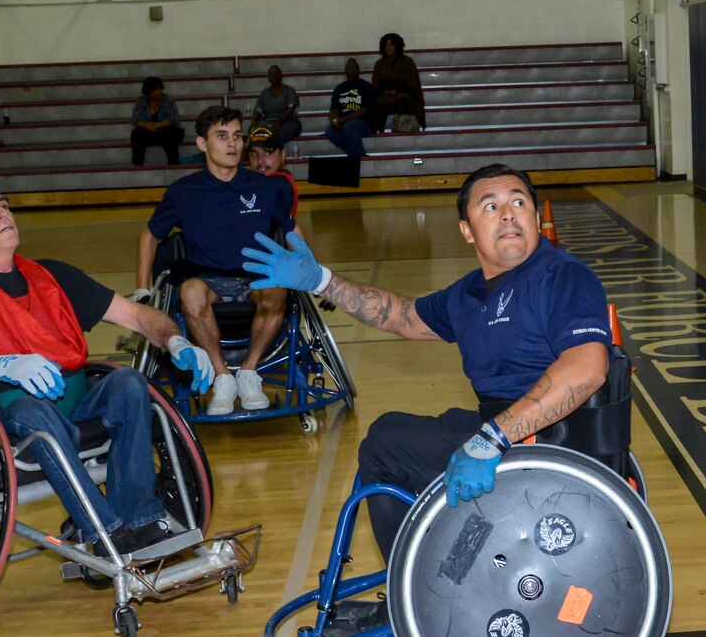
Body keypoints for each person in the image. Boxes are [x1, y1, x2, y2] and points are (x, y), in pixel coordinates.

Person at [242, 163, 611, 557]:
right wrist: (322, 281)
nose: (507, 213)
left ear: (536, 219)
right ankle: (443, 564)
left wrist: (491, 439)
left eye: (518, 202)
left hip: (549, 442)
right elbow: (404, 316)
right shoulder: (470, 292)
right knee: (389, 427)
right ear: (466, 230)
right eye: (490, 206)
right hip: (505, 429)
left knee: (384, 449)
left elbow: (588, 367)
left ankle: (410, 580)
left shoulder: (562, 276)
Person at [0, 183, 214, 554]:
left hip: (77, 412)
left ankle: (143, 520)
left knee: (129, 381)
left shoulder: (52, 277)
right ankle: (106, 531)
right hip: (8, 429)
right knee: (33, 410)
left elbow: (139, 316)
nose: (2, 212)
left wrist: (176, 340)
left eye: (3, 204)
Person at [135, 107, 296, 417]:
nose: (232, 144)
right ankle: (222, 376)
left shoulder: (266, 187)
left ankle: (248, 373)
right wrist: (142, 291)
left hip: (255, 278)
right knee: (190, 292)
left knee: (277, 288)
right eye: (222, 137)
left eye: (237, 136)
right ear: (202, 144)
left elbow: (291, 230)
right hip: (205, 278)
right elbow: (149, 236)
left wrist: (312, 272)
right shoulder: (183, 191)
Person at [370, 32, 425, 132]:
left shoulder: (408, 62)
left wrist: (397, 92)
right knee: (379, 101)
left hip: (405, 95)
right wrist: (386, 92)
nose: (388, 48)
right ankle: (379, 130)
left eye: (391, 45)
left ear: (397, 46)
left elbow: (412, 84)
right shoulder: (379, 64)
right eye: (386, 45)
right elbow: (376, 85)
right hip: (385, 96)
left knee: (402, 100)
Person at [324, 57, 377, 159]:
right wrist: (334, 121)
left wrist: (344, 119)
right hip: (344, 123)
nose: (351, 71)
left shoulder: (366, 87)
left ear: (358, 70)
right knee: (330, 131)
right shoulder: (339, 88)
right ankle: (354, 155)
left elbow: (365, 110)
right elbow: (333, 110)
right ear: (345, 72)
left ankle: (361, 157)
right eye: (349, 69)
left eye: (354, 68)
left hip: (365, 123)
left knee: (348, 126)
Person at [129, 76, 184, 166]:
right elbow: (136, 120)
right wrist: (146, 126)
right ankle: (137, 164)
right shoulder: (141, 101)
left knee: (170, 133)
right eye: (155, 90)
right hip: (149, 131)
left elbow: (174, 119)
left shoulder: (168, 100)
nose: (159, 92)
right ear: (148, 92)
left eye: (160, 89)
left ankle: (173, 162)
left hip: (166, 129)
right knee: (136, 134)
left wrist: (157, 125)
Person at [249, 65, 303, 150]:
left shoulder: (289, 90)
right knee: (257, 131)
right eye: (271, 74)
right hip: (267, 122)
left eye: (276, 73)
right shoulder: (264, 92)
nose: (273, 76)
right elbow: (258, 110)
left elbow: (291, 109)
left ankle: (275, 155)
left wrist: (279, 122)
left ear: (281, 75)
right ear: (268, 77)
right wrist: (253, 121)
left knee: (277, 134)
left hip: (287, 123)